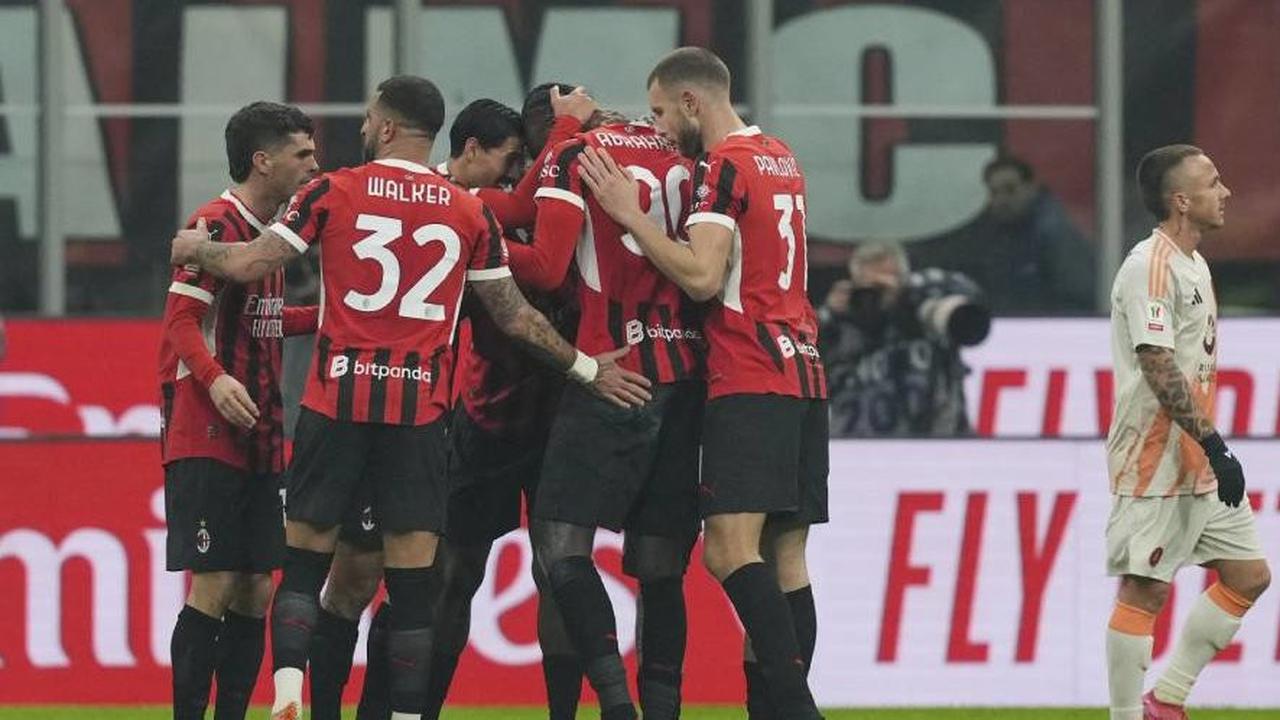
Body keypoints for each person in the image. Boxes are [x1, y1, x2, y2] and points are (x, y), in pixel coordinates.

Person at [169, 75, 652, 720]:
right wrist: (589, 369)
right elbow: (516, 317)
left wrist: (198, 247)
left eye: (370, 118)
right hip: (421, 414)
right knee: (416, 584)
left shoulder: (332, 188)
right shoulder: (468, 208)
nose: (363, 128)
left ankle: (288, 691)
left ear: (388, 126)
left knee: (306, 562)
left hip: (336, 405)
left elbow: (252, 263)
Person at [578, 46, 827, 720]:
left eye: (660, 112)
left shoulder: (723, 168)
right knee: (786, 560)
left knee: (726, 551)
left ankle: (799, 710)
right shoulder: (779, 156)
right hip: (803, 372)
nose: (656, 129)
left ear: (692, 103)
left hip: (749, 374)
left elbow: (702, 275)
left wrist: (628, 213)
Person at [512, 101, 704, 720]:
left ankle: (616, 705)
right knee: (659, 564)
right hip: (686, 374)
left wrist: (469, 228)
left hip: (612, 367)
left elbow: (544, 266)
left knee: (560, 547)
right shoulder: (692, 156)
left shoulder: (578, 156)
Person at [157, 101, 320, 720]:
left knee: (256, 590)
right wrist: (217, 378)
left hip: (261, 427)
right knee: (215, 581)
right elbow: (181, 321)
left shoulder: (270, 237)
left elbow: (268, 323)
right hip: (205, 423)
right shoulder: (216, 225)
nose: (313, 164)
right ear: (264, 159)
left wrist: (337, 319)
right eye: (303, 153)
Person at [1105, 144, 1270, 720]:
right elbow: (1157, 363)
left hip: (1197, 455)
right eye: (1214, 182)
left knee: (1249, 576)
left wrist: (1208, 448)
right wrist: (1216, 443)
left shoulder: (1194, 262)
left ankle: (1166, 699)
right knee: (1145, 590)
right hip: (1154, 456)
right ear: (1182, 200)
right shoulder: (1148, 267)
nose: (1225, 192)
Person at [820, 241, 989, 437]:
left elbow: (973, 303)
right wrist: (831, 315)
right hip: (861, 448)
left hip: (940, 441)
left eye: (883, 284)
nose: (877, 294)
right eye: (870, 286)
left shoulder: (924, 308)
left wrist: (907, 294)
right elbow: (799, 365)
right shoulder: (841, 323)